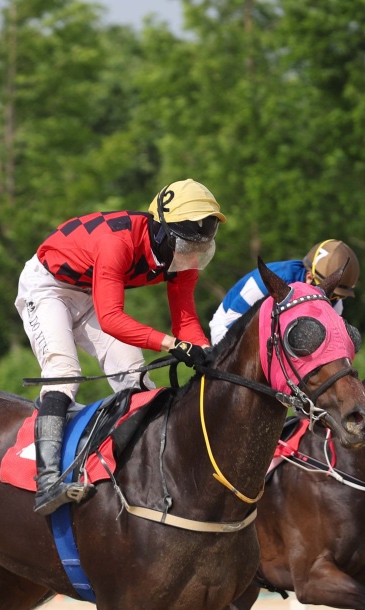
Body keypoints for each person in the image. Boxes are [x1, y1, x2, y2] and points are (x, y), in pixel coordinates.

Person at [17, 178, 225, 515]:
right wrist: (171, 344)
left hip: (91, 290)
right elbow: (112, 318)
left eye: (201, 247)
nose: (192, 255)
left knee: (135, 376)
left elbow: (185, 321)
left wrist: (204, 351)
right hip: (48, 288)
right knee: (64, 371)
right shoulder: (117, 243)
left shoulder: (181, 255)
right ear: (161, 232)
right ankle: (47, 481)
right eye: (187, 246)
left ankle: (152, 471)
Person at [209, 238, 360, 345]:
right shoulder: (271, 279)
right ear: (309, 277)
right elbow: (231, 323)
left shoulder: (335, 302)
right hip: (227, 328)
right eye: (329, 292)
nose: (331, 299)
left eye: (337, 296)